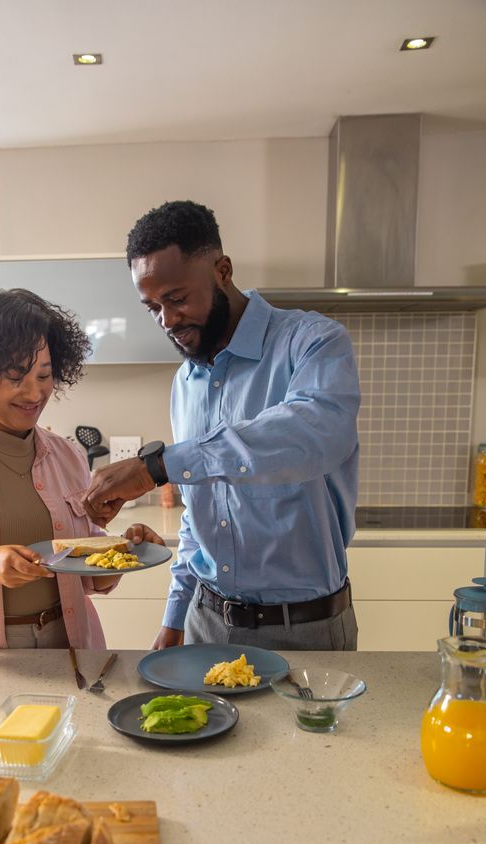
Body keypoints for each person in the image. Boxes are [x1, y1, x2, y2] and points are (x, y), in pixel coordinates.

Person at [84, 200, 360, 652]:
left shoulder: (313, 342)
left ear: (223, 271)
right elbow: (201, 512)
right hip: (205, 622)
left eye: (176, 299)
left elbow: (316, 434)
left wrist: (158, 466)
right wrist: (175, 616)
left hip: (306, 630)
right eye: (152, 307)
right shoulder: (186, 382)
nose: (167, 321)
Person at [0, 288, 163, 649]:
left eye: (44, 375)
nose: (35, 393)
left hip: (69, 644)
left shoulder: (66, 455)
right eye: (15, 376)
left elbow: (82, 572)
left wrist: (122, 551)